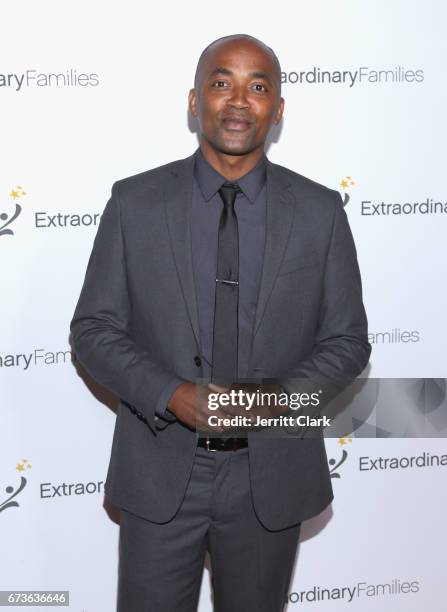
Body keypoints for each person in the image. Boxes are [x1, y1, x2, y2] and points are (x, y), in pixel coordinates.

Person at [70, 33, 371, 612]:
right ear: (194, 101)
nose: (239, 100)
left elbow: (347, 341)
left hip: (270, 478)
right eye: (221, 83)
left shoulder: (319, 211)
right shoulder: (135, 203)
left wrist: (265, 404)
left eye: (258, 87)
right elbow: (93, 329)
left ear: (278, 110)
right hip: (160, 474)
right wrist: (172, 394)